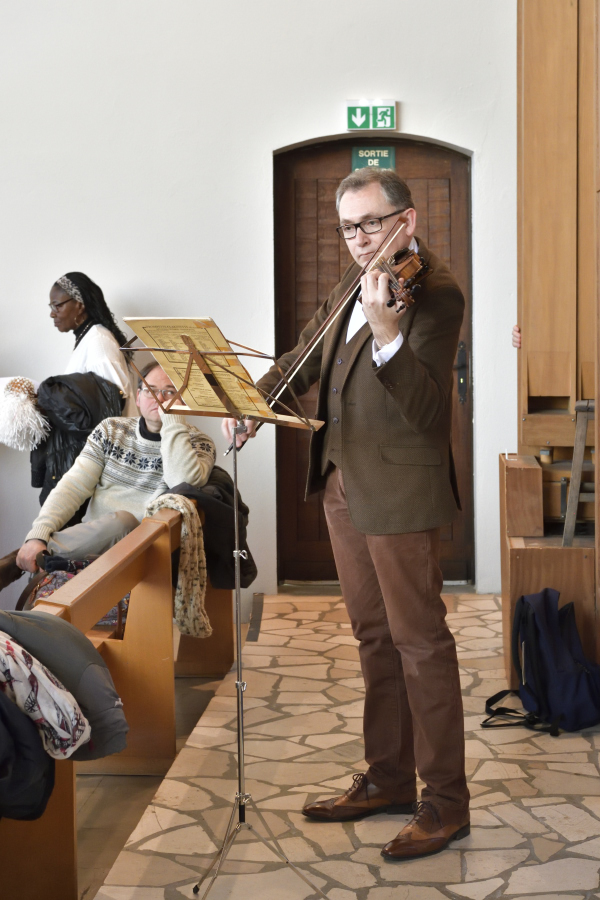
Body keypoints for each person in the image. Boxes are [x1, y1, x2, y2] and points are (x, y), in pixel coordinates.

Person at [222, 168, 469, 860]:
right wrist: (255, 407)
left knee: (420, 642)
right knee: (373, 637)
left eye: (371, 223)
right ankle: (389, 776)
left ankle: (446, 802)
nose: (359, 239)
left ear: (406, 221)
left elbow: (427, 411)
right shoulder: (350, 282)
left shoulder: (436, 293)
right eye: (349, 227)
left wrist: (388, 336)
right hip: (341, 482)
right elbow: (302, 357)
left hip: (399, 491)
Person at [16, 362, 215, 573]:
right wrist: (38, 536)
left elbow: (182, 482)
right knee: (119, 522)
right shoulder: (111, 429)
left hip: (147, 550)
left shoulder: (200, 443)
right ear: (138, 397)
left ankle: (41, 557)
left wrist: (173, 421)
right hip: (93, 543)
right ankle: (40, 553)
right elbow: (73, 486)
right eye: (151, 391)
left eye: (170, 392)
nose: (160, 399)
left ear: (183, 400)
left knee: (126, 522)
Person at [50, 272, 137, 415]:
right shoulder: (88, 338)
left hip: (110, 430)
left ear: (79, 306)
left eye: (56, 306)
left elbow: (111, 405)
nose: (52, 314)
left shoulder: (98, 341)